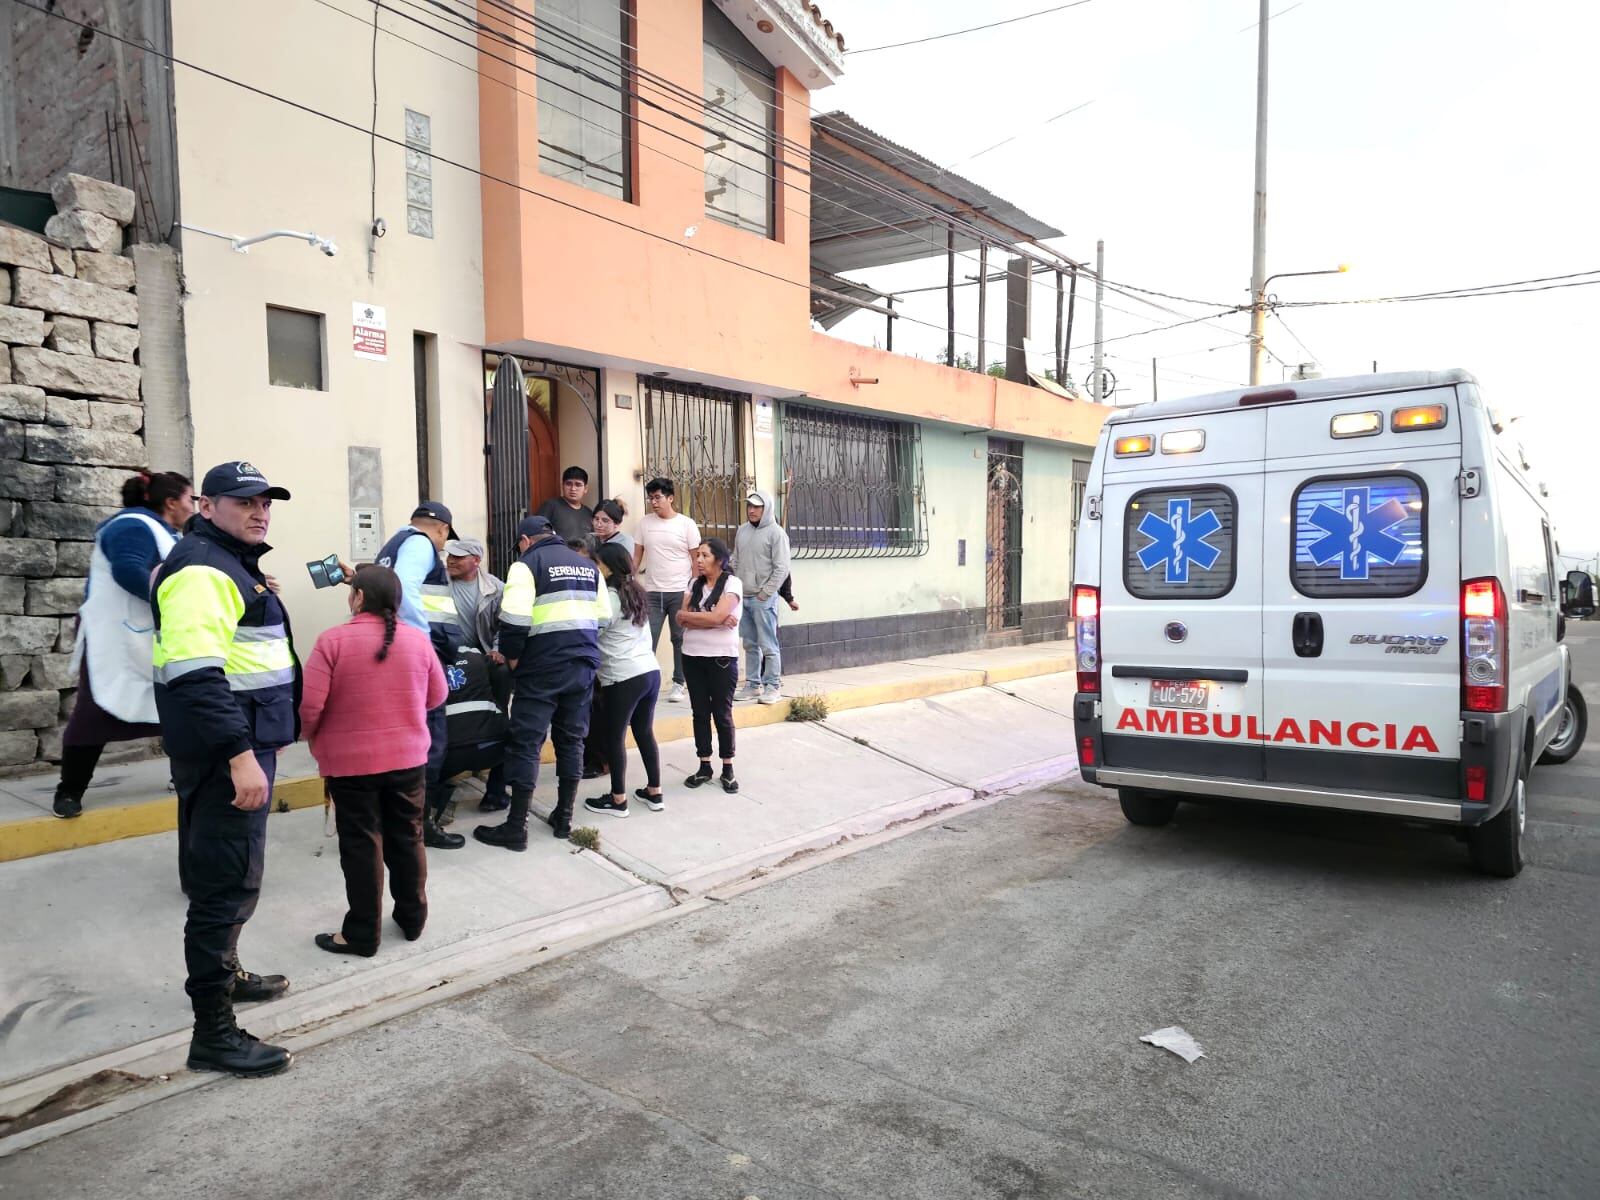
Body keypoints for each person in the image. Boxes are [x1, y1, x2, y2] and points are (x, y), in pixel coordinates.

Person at [151, 460, 299, 1078]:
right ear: (206, 508)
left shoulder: (227, 565)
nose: (259, 510)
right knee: (223, 888)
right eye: (244, 502)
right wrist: (241, 755)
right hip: (224, 755)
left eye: (265, 501)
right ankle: (213, 1032)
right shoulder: (205, 570)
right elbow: (196, 675)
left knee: (235, 880)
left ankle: (229, 975)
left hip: (236, 745)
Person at [300, 565, 446, 958]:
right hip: (409, 759)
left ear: (359, 596)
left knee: (362, 847)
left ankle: (363, 933)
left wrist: (305, 734)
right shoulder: (417, 640)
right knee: (408, 837)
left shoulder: (331, 641)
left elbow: (310, 707)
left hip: (349, 766)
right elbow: (437, 695)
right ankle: (412, 919)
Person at [54, 471, 194, 819]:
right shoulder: (131, 526)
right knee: (96, 708)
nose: (193, 507)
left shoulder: (166, 533)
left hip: (147, 634)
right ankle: (69, 790)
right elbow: (129, 571)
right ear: (172, 502)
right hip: (113, 637)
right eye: (191, 499)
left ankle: (186, 777)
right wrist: (176, 597)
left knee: (179, 705)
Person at [474, 515, 603, 849]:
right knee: (572, 739)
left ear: (525, 540)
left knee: (526, 742)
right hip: (583, 664)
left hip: (542, 667)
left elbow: (514, 621)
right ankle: (564, 817)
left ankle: (516, 827)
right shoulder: (586, 565)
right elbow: (602, 617)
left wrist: (514, 659)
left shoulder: (526, 564)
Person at [375, 500, 463, 850]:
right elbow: (405, 588)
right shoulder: (420, 544)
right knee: (430, 740)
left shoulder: (391, 545)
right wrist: (422, 641)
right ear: (441, 528)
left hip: (393, 652)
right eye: (445, 538)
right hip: (416, 656)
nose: (444, 546)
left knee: (404, 739)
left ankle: (395, 820)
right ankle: (418, 826)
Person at [583, 542, 663, 819]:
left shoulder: (610, 598)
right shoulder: (636, 592)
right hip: (649, 672)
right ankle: (655, 792)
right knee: (644, 732)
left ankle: (618, 800)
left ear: (607, 567)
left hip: (624, 675)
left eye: (597, 563)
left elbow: (592, 630)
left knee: (614, 737)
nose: (594, 568)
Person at [677, 537, 742, 793]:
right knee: (700, 712)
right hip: (692, 656)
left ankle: (727, 766)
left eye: (704, 555)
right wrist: (715, 620)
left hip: (722, 658)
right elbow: (681, 618)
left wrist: (701, 617)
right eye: (698, 556)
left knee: (722, 714)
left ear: (719, 559)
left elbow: (705, 615)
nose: (699, 560)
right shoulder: (694, 583)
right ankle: (705, 764)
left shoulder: (732, 583)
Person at [637, 477, 700, 705]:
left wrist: (692, 589)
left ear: (670, 498)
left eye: (657, 497)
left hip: (679, 591)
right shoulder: (644, 523)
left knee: (679, 639)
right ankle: (646, 684)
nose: (653, 502)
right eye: (651, 497)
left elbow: (696, 559)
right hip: (652, 592)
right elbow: (637, 556)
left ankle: (678, 683)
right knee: (647, 638)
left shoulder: (686, 524)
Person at [436, 641, 510, 814]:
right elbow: (502, 671)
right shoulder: (478, 656)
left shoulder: (428, 659)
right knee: (511, 738)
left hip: (448, 756)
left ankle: (437, 802)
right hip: (493, 749)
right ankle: (495, 796)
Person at [732, 490, 791, 705]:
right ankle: (752, 685)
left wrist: (765, 593)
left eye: (757, 506)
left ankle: (773, 686)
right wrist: (735, 587)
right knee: (749, 644)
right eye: (749, 506)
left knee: (768, 644)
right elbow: (736, 559)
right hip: (743, 597)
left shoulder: (777, 534)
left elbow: (782, 568)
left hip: (762, 599)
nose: (752, 510)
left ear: (766, 508)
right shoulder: (742, 530)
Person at [443, 536, 504, 657]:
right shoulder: (438, 582)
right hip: (448, 654)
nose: (450, 561)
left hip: (484, 656)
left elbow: (504, 625)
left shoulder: (495, 588)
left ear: (476, 560)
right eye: (450, 555)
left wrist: (497, 649)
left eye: (458, 557)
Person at [537, 465, 595, 543]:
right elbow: (537, 534)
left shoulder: (589, 513)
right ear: (562, 486)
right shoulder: (551, 506)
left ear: (585, 489)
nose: (573, 489)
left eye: (578, 485)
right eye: (568, 484)